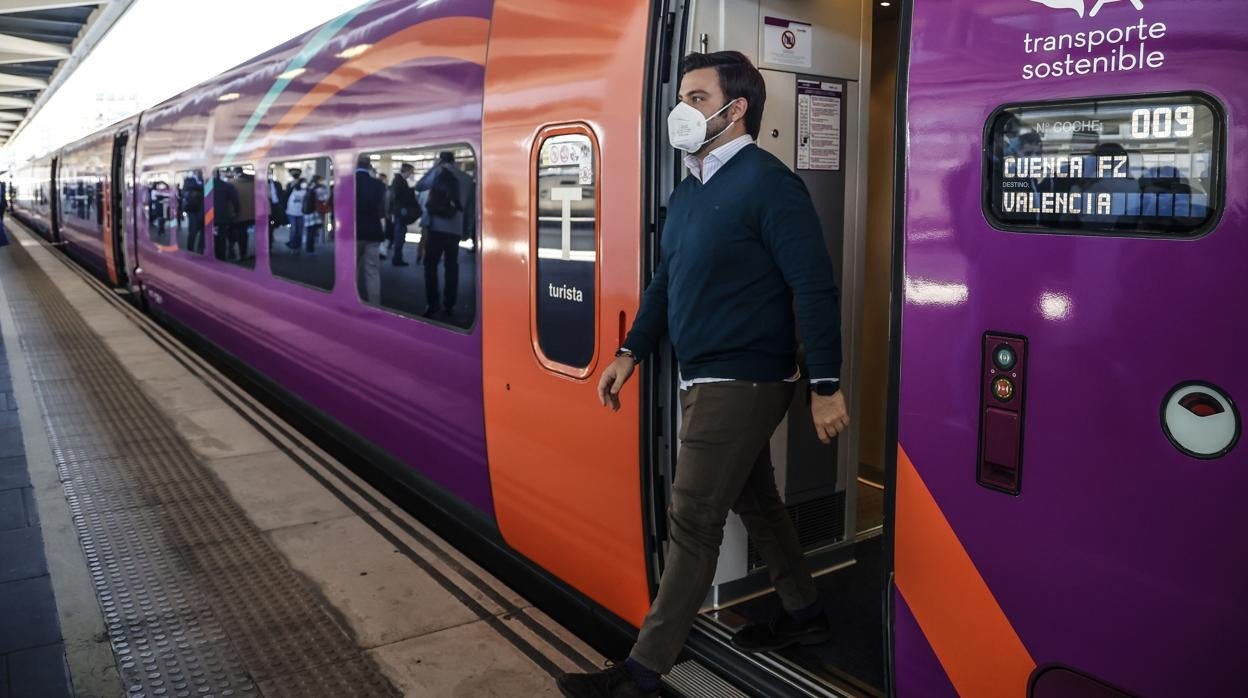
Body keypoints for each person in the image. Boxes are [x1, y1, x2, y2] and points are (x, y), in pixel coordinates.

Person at [557, 51, 848, 698]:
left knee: (691, 517)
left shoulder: (771, 185)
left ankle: (643, 674)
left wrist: (825, 384)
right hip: (705, 374)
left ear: (734, 108)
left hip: (744, 378)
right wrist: (632, 351)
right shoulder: (691, 190)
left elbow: (814, 288)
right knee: (758, 503)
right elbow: (668, 281)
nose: (680, 110)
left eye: (694, 96)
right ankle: (807, 615)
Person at [415, 151, 474, 318]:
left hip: (437, 228)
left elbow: (420, 186)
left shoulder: (438, 171)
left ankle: (433, 304)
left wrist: (434, 166)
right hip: (455, 230)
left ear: (441, 159)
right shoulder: (467, 179)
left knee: (430, 265)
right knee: (452, 266)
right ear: (455, 161)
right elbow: (470, 208)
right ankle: (450, 304)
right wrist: (466, 230)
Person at [355, 156, 387, 304]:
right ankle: (375, 303)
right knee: (372, 270)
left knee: (351, 268)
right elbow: (381, 209)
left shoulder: (347, 183)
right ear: (369, 166)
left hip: (353, 232)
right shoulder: (378, 184)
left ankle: (350, 299)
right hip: (373, 231)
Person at [388, 162, 419, 266]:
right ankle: (397, 259)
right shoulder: (399, 181)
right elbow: (398, 196)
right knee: (400, 237)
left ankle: (398, 258)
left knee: (400, 236)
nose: (411, 174)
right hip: (401, 213)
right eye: (411, 172)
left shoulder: (399, 180)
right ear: (406, 171)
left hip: (399, 213)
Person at [212, 170, 240, 261]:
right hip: (223, 216)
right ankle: (221, 257)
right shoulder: (226, 186)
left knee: (212, 236)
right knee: (222, 237)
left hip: (210, 217)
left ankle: (213, 255)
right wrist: (236, 211)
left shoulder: (206, 186)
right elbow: (235, 200)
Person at [303, 174, 330, 254]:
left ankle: (309, 248)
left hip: (307, 211)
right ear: (318, 180)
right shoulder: (320, 188)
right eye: (322, 179)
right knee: (313, 230)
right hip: (315, 212)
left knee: (309, 230)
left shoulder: (309, 186)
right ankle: (311, 249)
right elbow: (323, 199)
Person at [180, 171, 205, 253]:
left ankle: (200, 249)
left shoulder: (204, 179)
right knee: (193, 231)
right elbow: (185, 192)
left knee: (203, 230)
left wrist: (197, 191)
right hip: (192, 209)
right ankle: (190, 250)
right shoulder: (189, 180)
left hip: (203, 208)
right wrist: (199, 190)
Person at [285, 177, 307, 253]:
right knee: (294, 230)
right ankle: (293, 246)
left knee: (300, 231)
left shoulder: (306, 191)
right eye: (303, 182)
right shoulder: (292, 189)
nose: (304, 184)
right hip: (291, 213)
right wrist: (292, 184)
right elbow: (285, 194)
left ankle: (298, 247)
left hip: (301, 213)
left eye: (305, 183)